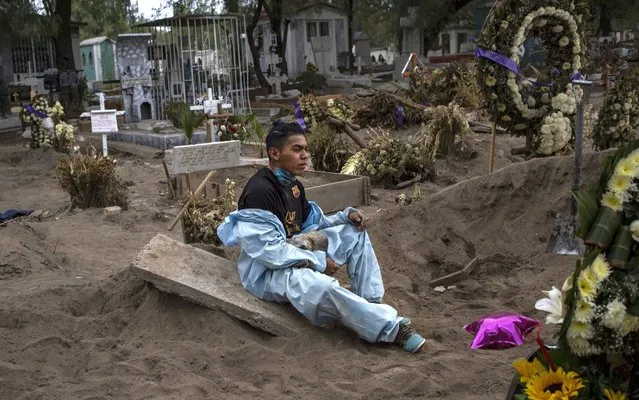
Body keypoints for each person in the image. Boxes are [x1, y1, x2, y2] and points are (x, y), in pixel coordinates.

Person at [217, 121, 426, 353]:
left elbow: (313, 225)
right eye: (297, 149)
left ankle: (371, 304)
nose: (305, 155)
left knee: (354, 232)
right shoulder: (260, 192)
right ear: (274, 153)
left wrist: (346, 217)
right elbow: (270, 252)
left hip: (297, 251)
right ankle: (392, 329)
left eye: (305, 149)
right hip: (268, 272)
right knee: (323, 286)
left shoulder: (293, 186)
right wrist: (317, 260)